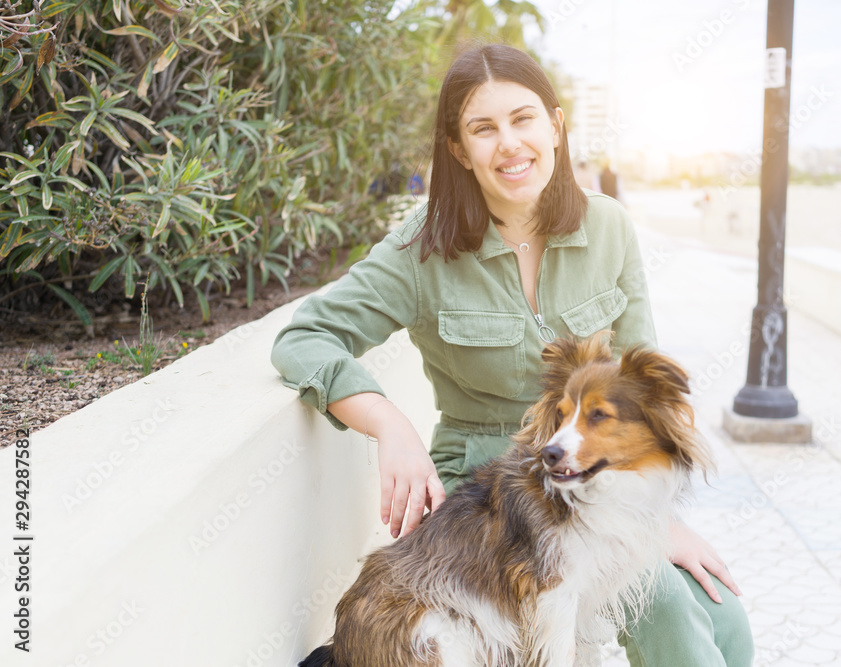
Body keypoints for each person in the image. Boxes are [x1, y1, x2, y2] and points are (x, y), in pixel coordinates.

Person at [271, 44, 753, 666]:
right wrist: (389, 425)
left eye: (523, 119)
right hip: (491, 501)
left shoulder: (608, 228)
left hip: (601, 483)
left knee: (725, 617)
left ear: (555, 125)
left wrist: (657, 518)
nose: (509, 144)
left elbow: (644, 396)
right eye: (483, 128)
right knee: (667, 611)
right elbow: (303, 339)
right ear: (457, 149)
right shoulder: (421, 249)